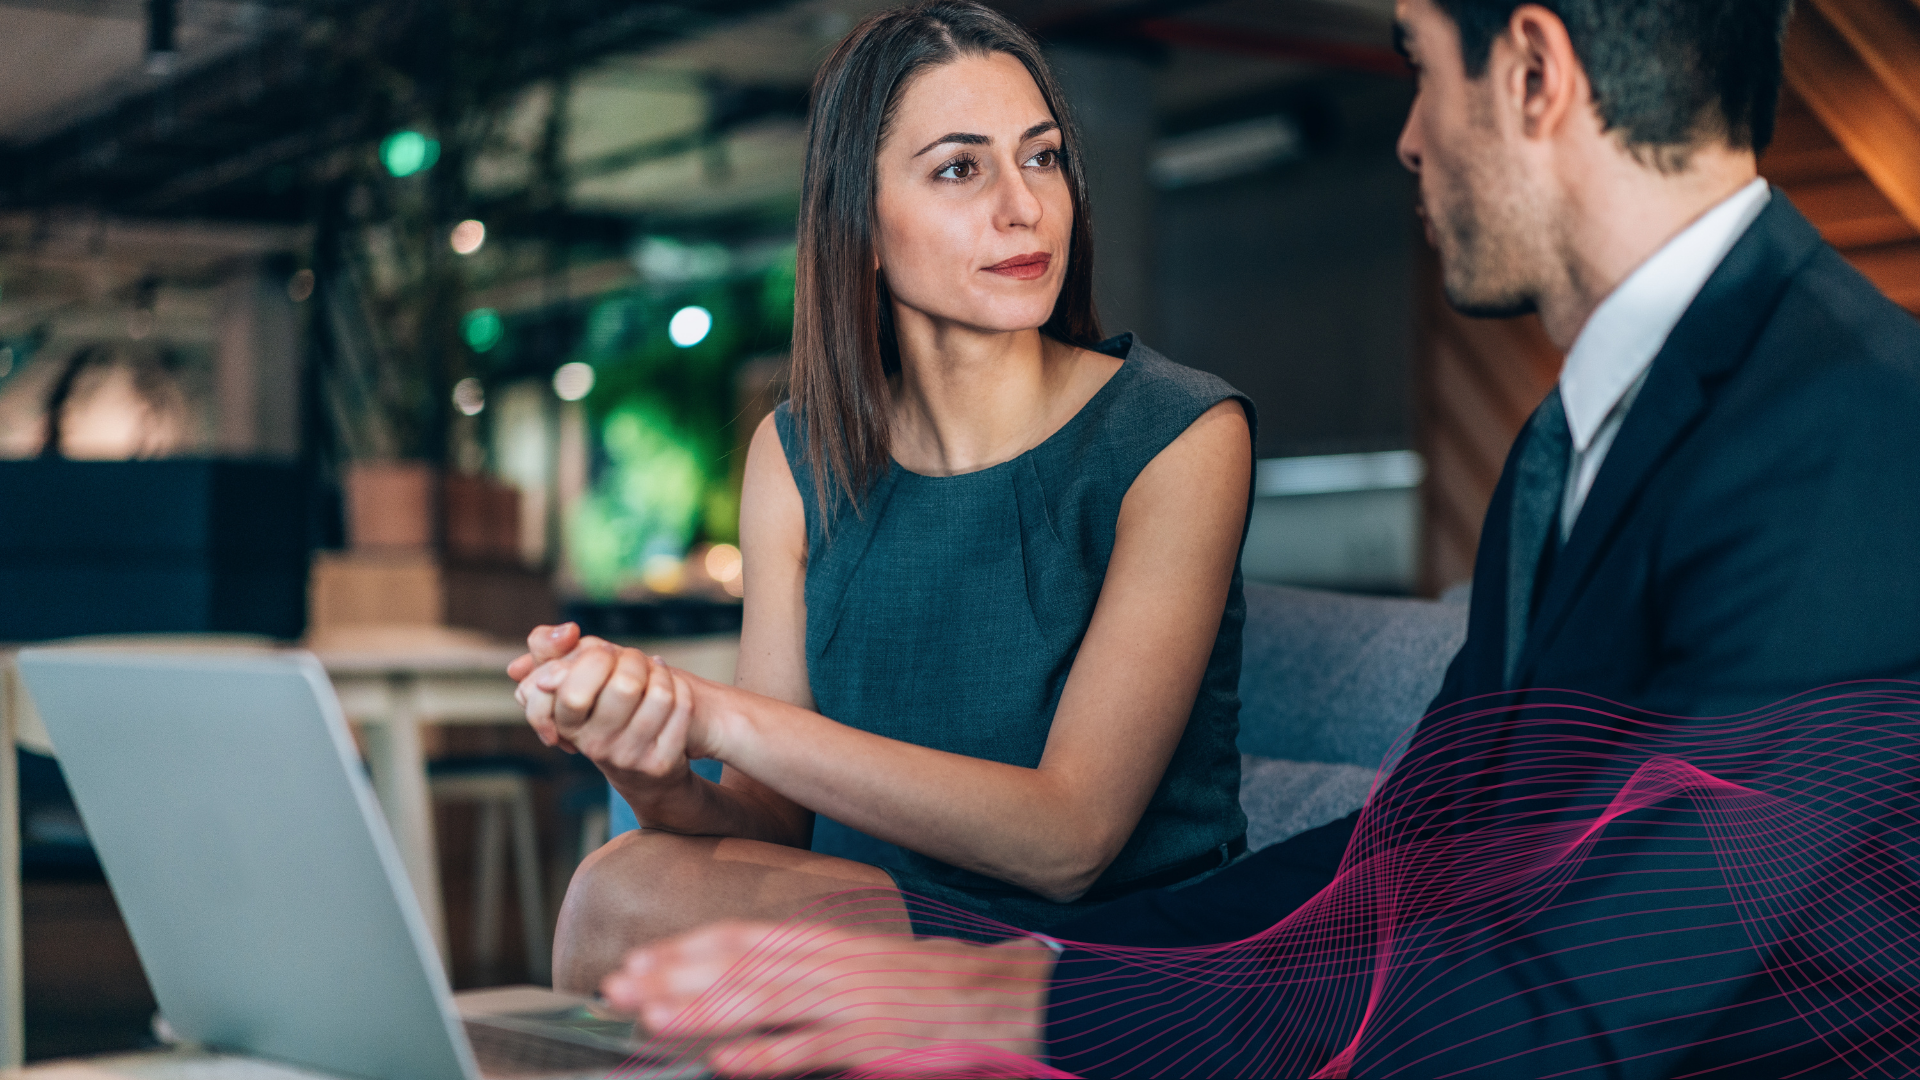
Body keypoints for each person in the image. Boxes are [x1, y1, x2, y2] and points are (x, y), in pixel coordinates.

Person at [587, 0, 1920, 1075]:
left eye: (1418, 69)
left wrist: (1038, 1007)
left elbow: (1599, 1003)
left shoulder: (1853, 428)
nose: (1405, 137)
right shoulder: (1580, 432)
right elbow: (1402, 858)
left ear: (1531, 74)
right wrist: (1028, 981)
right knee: (625, 901)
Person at [511, 1, 1258, 991]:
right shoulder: (795, 457)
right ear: (857, 223)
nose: (1023, 207)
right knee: (630, 874)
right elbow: (770, 824)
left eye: (1040, 158)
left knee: (623, 898)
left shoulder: (1182, 435)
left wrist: (719, 715)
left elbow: (1070, 839)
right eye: (960, 168)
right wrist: (645, 763)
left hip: (1113, 955)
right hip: (885, 923)